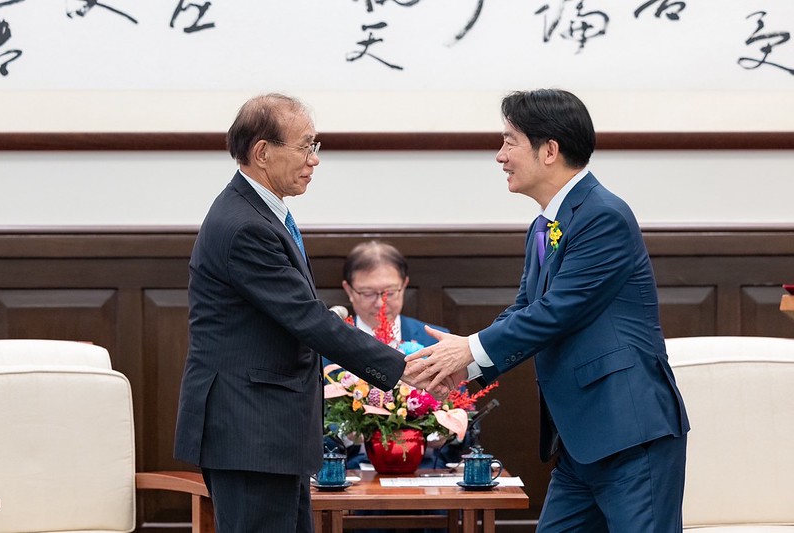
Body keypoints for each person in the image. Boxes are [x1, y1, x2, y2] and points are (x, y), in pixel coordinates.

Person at [404, 89, 690, 532]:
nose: (500, 156)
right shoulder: (545, 224)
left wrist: (469, 349)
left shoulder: (603, 215)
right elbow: (525, 308)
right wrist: (469, 370)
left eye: (509, 141)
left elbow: (559, 311)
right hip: (580, 441)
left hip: (630, 433)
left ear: (550, 150)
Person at [173, 93, 413, 533]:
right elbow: (306, 317)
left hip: (266, 431)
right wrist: (404, 367)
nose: (314, 160)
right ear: (262, 152)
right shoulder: (245, 225)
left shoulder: (260, 213)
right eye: (305, 146)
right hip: (250, 428)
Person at [326, 240, 461, 469]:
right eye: (368, 293)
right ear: (349, 290)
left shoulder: (436, 341)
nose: (381, 303)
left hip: (424, 473)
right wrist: (348, 433)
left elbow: (462, 418)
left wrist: (442, 432)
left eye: (390, 292)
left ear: (405, 285)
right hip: (350, 477)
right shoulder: (328, 345)